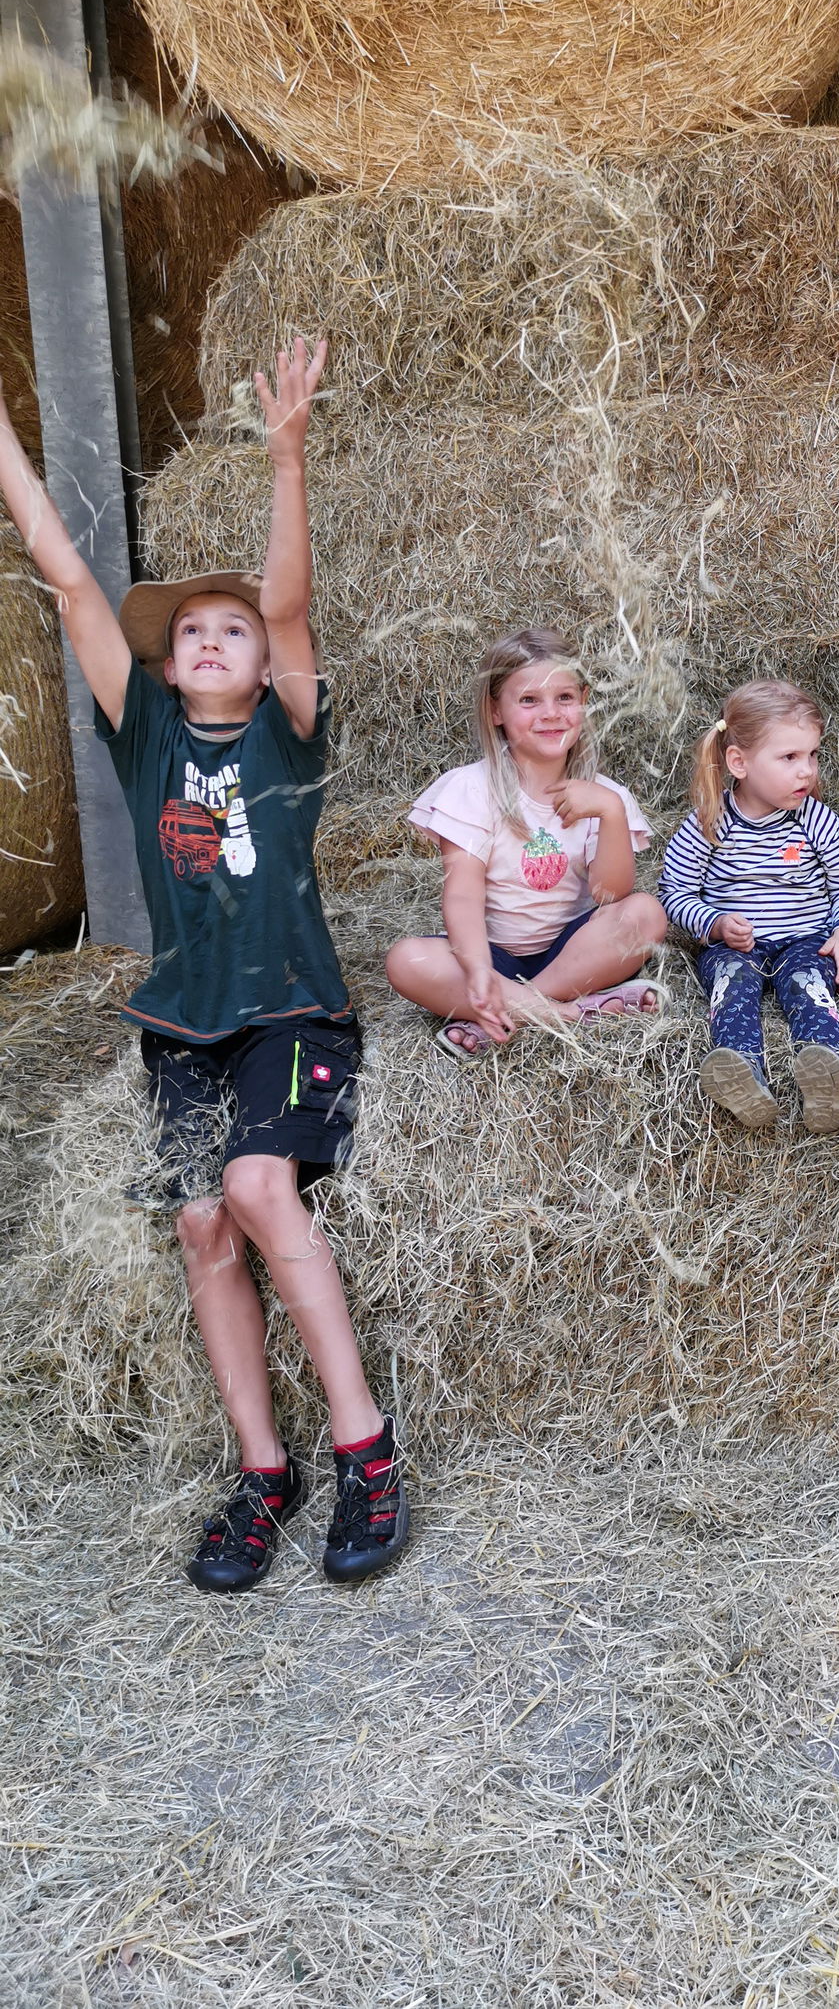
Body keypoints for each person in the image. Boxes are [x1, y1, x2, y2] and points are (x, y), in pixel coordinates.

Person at [0, 338, 410, 1591]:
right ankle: (261, 1470)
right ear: (170, 669)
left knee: (253, 1186)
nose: (221, 639)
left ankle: (367, 1452)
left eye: (233, 629)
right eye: (196, 635)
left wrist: (286, 456)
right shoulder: (146, 741)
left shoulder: (289, 739)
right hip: (184, 1022)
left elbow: (288, 604)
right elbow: (69, 580)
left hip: (292, 1010)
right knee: (195, 1222)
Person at [386, 627, 667, 1058]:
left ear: (584, 700)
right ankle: (571, 1014)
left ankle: (515, 1008)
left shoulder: (604, 794)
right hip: (490, 955)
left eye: (565, 698)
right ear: (495, 710)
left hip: (573, 953)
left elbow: (610, 895)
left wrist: (610, 812)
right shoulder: (470, 790)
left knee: (646, 914)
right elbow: (462, 896)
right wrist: (479, 970)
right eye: (529, 700)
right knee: (406, 961)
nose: (551, 713)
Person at [659, 681, 839, 1134]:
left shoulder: (817, 821)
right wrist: (713, 924)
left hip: (804, 940)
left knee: (809, 983)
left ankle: (824, 1072)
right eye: (789, 758)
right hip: (736, 945)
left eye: (812, 755)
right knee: (732, 985)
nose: (806, 771)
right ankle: (744, 1076)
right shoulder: (708, 824)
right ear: (739, 762)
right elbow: (673, 891)